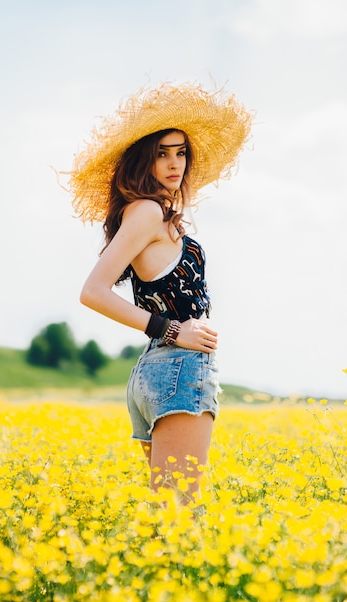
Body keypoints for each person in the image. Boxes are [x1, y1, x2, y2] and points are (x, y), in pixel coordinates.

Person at [68, 82, 252, 500]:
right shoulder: (148, 212)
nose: (174, 163)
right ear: (142, 160)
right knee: (178, 520)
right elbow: (93, 291)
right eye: (161, 153)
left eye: (181, 152)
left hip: (155, 372)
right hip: (178, 368)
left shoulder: (150, 214)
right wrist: (172, 330)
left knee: (166, 518)